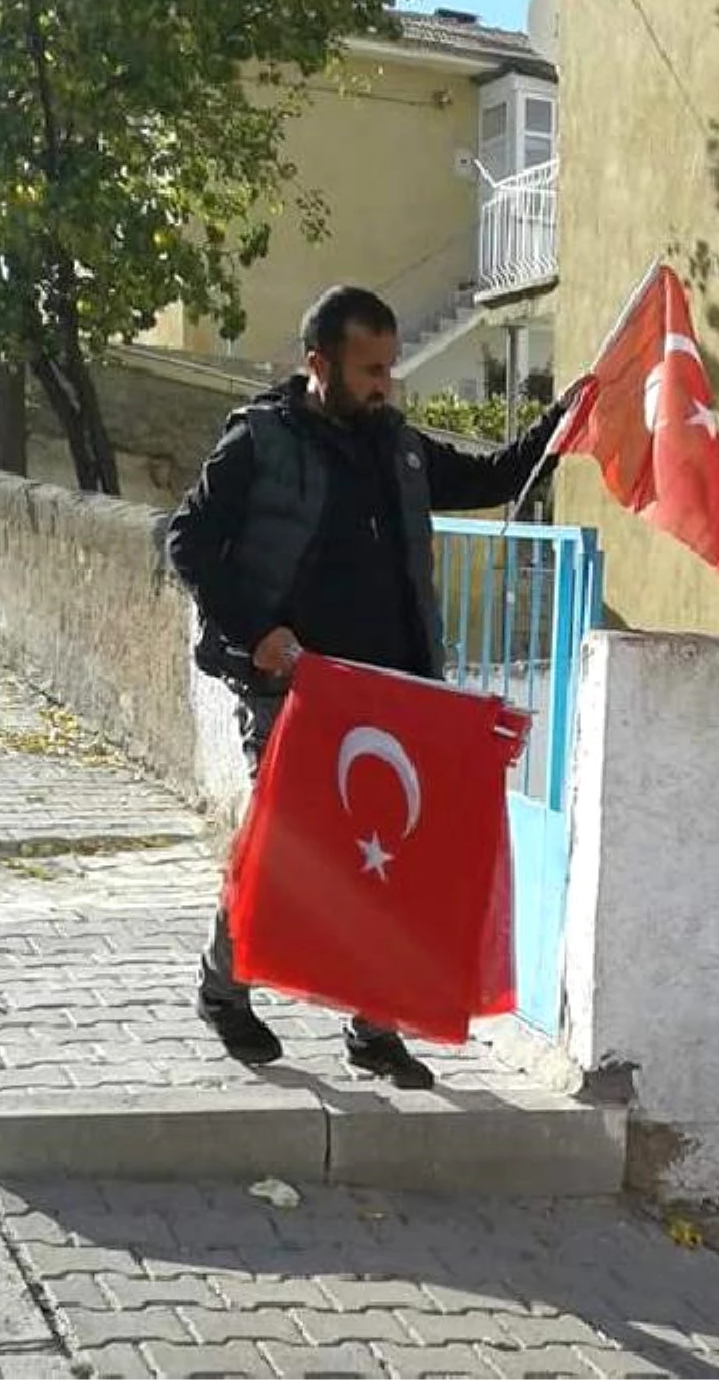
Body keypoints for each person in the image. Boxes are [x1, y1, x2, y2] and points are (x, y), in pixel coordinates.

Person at [167, 285, 582, 1088]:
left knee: (400, 856)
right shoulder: (260, 442)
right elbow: (188, 541)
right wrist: (259, 633)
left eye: (389, 368)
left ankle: (374, 1030)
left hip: (396, 691)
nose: (384, 384)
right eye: (369, 369)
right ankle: (224, 990)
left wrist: (565, 416)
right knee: (289, 856)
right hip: (298, 688)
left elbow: (496, 475)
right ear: (318, 364)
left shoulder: (398, 445)